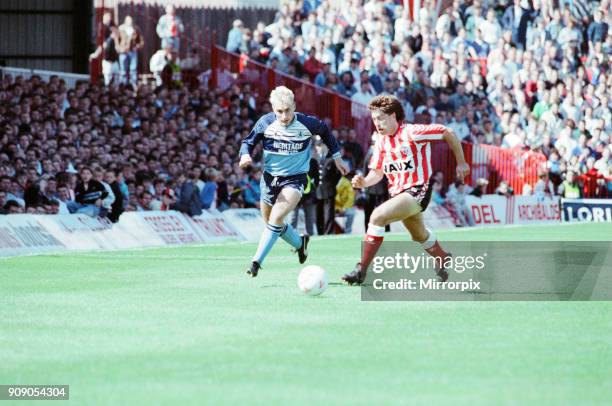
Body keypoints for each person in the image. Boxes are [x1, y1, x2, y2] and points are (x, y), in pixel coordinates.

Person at [342, 95, 470, 285]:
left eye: (381, 118)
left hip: (418, 189)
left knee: (377, 216)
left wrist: (461, 162)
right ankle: (442, 257)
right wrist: (363, 182)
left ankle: (361, 270)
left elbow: (447, 132)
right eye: (374, 119)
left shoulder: (412, 132)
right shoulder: (381, 142)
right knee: (418, 235)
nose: (377, 123)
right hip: (400, 194)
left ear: (393, 116)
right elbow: (376, 174)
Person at [239, 86, 349, 277]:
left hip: (295, 180)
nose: (284, 116)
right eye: (279, 111)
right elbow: (248, 142)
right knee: (272, 224)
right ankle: (300, 243)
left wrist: (337, 157)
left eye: (288, 110)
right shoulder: (265, 123)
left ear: (294, 106)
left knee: (275, 219)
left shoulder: (306, 123)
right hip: (269, 180)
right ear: (273, 109)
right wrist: (244, 155)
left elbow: (325, 132)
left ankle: (256, 262)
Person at [117, 16, 144, 87]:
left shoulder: (135, 29)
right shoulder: (121, 29)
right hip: (123, 51)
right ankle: (123, 84)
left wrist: (137, 47)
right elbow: (117, 40)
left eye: (131, 20)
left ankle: (133, 84)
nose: (129, 22)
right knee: (123, 69)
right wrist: (120, 48)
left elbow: (141, 40)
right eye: (128, 20)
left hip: (132, 51)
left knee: (133, 69)